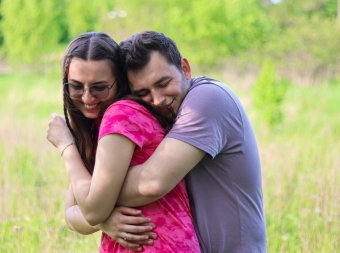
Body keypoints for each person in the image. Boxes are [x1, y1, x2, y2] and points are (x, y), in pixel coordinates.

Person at [107, 31, 267, 253]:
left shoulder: (207, 99)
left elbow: (152, 183)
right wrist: (101, 216)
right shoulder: (165, 115)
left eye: (163, 82)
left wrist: (96, 204)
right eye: (143, 92)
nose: (158, 99)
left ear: (185, 68)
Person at [46, 32, 201, 252]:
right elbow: (72, 213)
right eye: (76, 87)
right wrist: (104, 220)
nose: (88, 98)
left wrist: (66, 146)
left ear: (120, 83)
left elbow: (90, 210)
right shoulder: (96, 128)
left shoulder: (121, 115)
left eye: (99, 87)